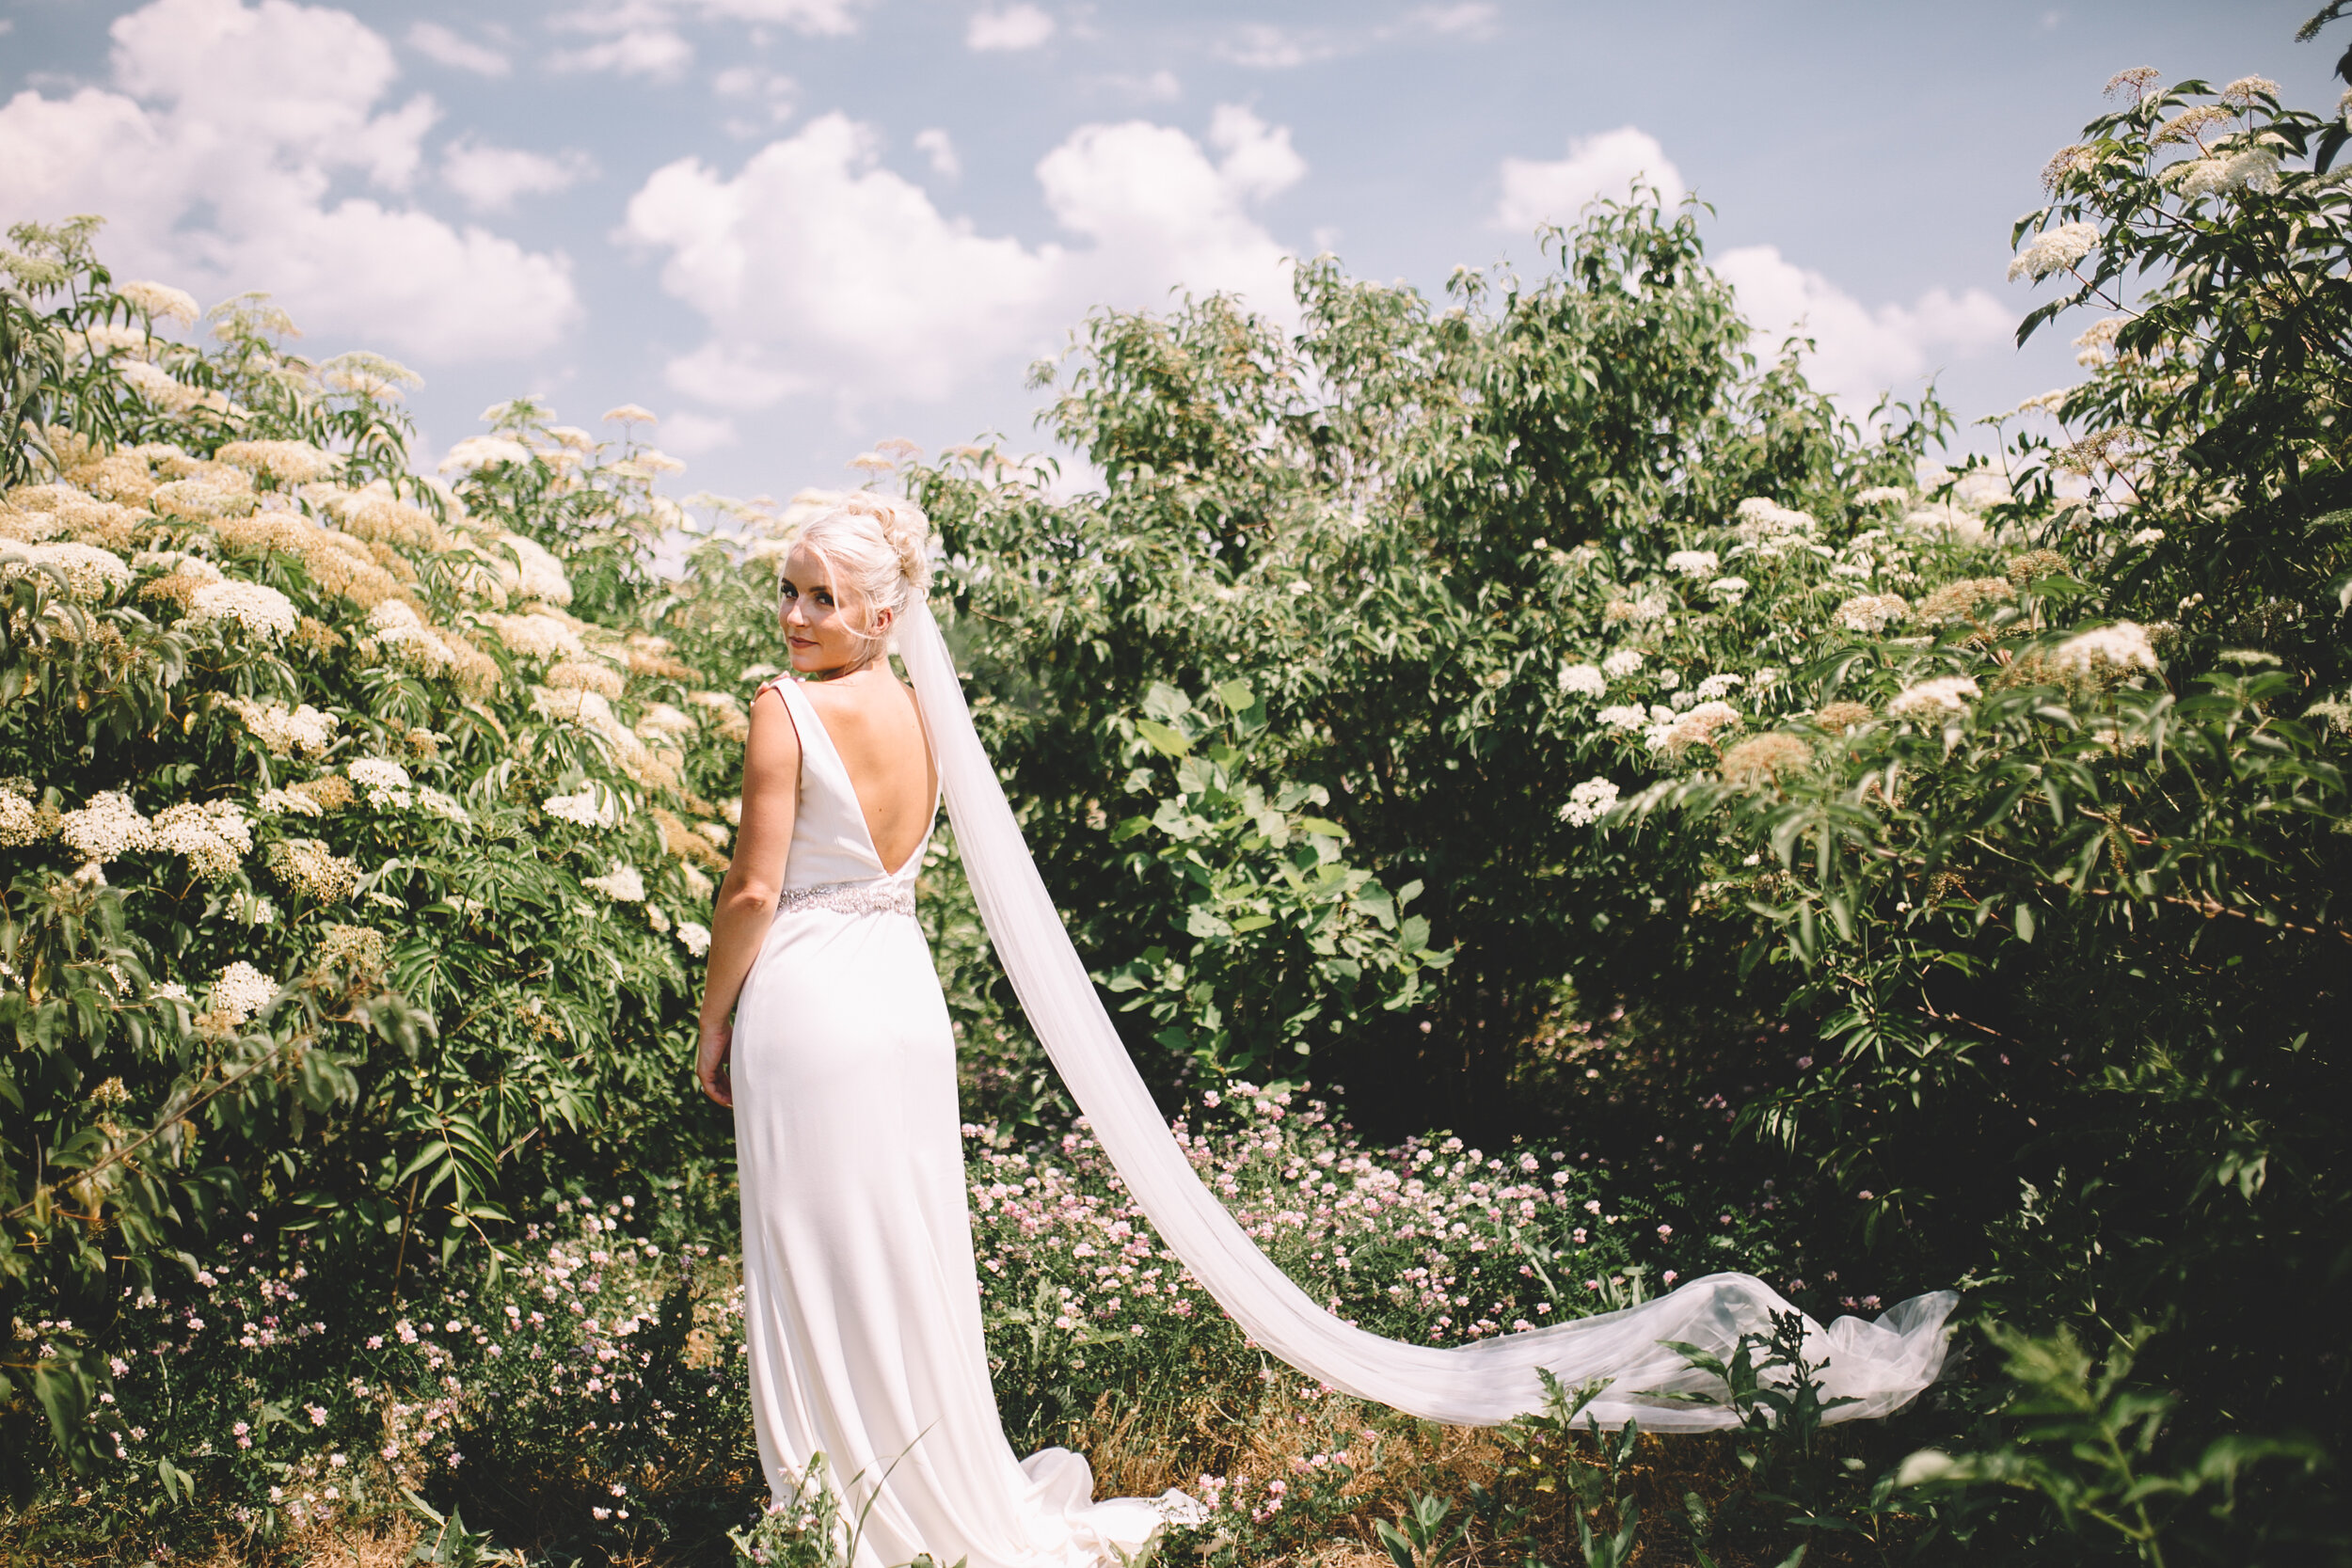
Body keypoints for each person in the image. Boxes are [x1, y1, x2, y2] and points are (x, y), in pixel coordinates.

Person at [696, 492, 1959, 1568]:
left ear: (877, 610)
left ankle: (845, 1504)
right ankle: (913, 1489)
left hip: (811, 1000)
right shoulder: (922, 715)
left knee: (828, 1253)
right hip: (902, 1002)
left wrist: (714, 1028)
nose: (793, 615)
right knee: (897, 1254)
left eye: (817, 596)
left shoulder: (781, 707)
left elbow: (753, 889)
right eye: (789, 591)